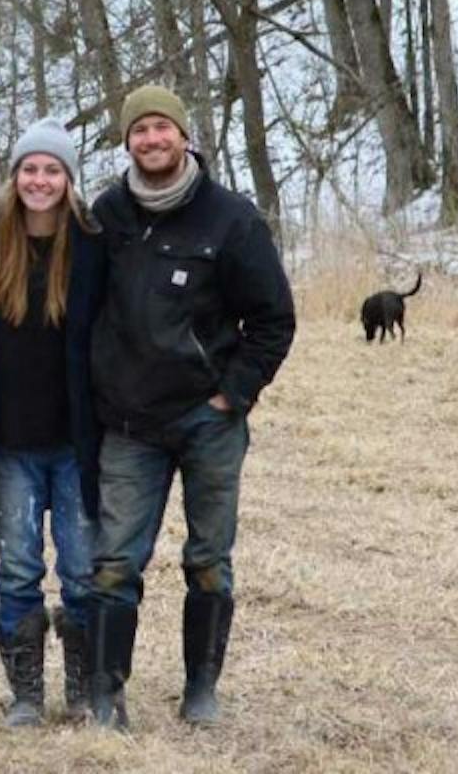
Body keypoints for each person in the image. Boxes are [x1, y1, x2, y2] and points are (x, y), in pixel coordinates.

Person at [84, 86, 295, 730]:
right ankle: (106, 692)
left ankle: (201, 688)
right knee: (116, 561)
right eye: (139, 131)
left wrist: (233, 392)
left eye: (161, 128)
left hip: (209, 421)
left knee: (208, 560)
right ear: (127, 142)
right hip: (128, 421)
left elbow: (273, 319)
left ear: (184, 136)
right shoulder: (107, 215)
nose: (151, 140)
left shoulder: (230, 218)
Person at [0, 119, 105, 727]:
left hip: (76, 441)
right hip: (10, 445)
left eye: (52, 170)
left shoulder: (95, 246)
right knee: (18, 567)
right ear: (14, 177)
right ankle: (25, 695)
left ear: (69, 179)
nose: (40, 180)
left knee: (80, 569)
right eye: (29, 169)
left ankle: (81, 691)